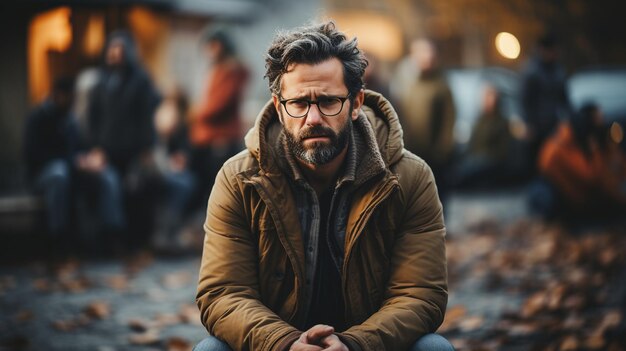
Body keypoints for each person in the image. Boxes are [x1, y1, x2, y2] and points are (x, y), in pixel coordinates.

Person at [195, 22, 452, 351]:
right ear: (278, 107)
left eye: (329, 101)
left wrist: (353, 344)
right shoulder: (238, 180)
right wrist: (284, 344)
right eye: (299, 103)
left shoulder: (410, 179)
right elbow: (223, 293)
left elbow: (420, 295)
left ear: (356, 102)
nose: (313, 118)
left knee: (434, 348)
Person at [82, 30, 161, 250]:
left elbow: (146, 117)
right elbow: (93, 117)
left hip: (134, 150)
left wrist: (147, 148)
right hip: (107, 151)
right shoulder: (101, 81)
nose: (115, 54)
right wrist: (95, 147)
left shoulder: (141, 80)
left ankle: (135, 242)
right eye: (112, 49)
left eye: (120, 49)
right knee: (110, 192)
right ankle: (111, 240)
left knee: (135, 194)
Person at [529, 103, 626, 222]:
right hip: (558, 192)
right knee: (546, 198)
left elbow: (616, 171)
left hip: (580, 194)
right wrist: (596, 150)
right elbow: (590, 177)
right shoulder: (563, 145)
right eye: (597, 119)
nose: (601, 122)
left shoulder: (595, 141)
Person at [189, 27, 250, 209]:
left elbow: (219, 105)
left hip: (220, 137)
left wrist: (194, 114)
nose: (210, 50)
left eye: (213, 45)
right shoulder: (215, 70)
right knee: (204, 184)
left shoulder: (232, 71)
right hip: (206, 137)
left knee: (216, 185)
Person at [23, 76, 80, 252]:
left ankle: (101, 238)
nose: (72, 101)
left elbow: (78, 147)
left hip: (68, 169)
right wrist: (71, 161)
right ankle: (58, 237)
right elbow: (33, 155)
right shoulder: (38, 117)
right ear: (58, 95)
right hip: (40, 176)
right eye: (69, 96)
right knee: (59, 173)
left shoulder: (69, 119)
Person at [396, 38, 456, 202]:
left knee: (437, 194)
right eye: (421, 52)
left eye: (429, 52)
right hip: (410, 150)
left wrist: (443, 149)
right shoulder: (407, 82)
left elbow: (449, 120)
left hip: (435, 154)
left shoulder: (441, 84)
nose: (426, 57)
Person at [520, 33, 571, 173]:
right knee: (538, 162)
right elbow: (526, 100)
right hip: (537, 127)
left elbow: (565, 99)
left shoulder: (558, 71)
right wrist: (528, 123)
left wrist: (567, 119)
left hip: (553, 124)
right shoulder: (533, 72)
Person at [454, 85, 513, 188]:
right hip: (475, 159)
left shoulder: (501, 123)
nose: (486, 101)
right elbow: (472, 144)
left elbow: (502, 152)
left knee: (465, 172)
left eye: (490, 97)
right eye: (485, 97)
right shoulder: (480, 121)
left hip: (489, 162)